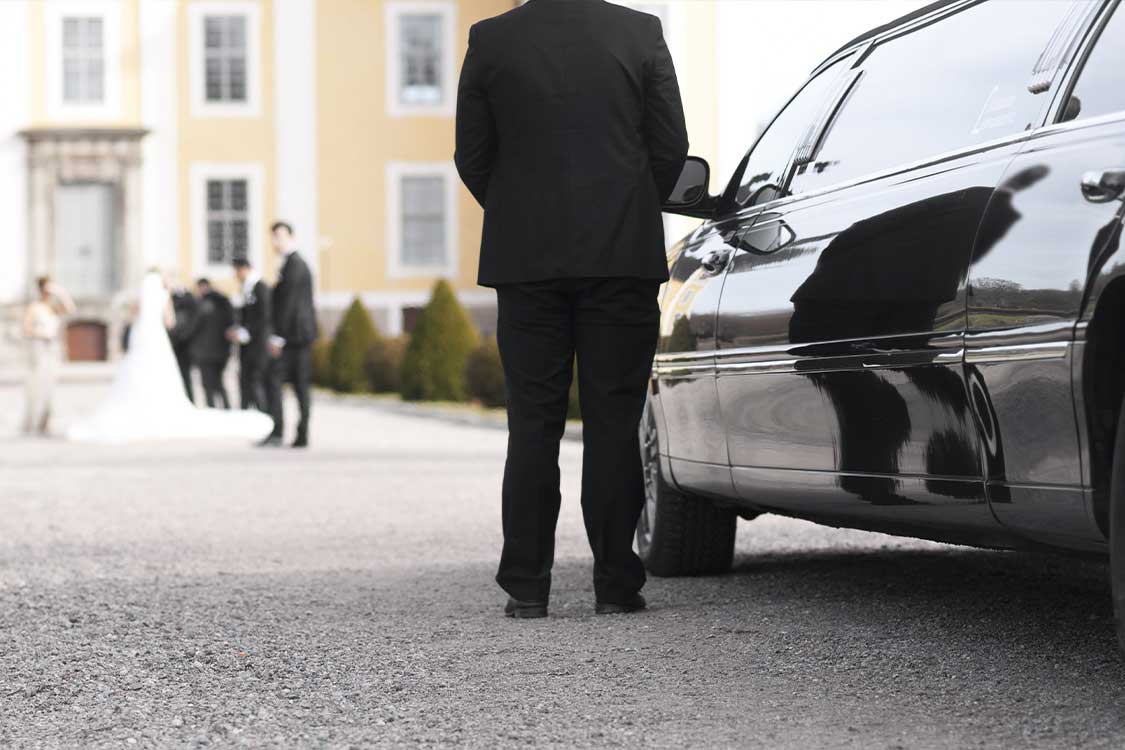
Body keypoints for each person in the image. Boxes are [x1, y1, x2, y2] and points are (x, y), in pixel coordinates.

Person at [454, 0, 688, 618]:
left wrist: (517, 211)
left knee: (532, 424)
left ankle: (527, 587)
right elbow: (671, 149)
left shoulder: (491, 38)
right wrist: (630, 204)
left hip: (526, 262)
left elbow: (472, 156)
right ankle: (616, 583)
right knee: (613, 421)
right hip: (620, 256)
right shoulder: (639, 32)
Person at [67, 271, 272, 443]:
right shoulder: (164, 297)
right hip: (157, 339)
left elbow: (131, 317)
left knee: (136, 373)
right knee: (162, 375)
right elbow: (169, 322)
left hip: (141, 339)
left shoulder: (139, 301)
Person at [261, 221, 317, 448]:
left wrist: (277, 336)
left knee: (286, 383)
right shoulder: (290, 264)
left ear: (291, 238)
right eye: (274, 237)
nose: (276, 242)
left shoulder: (295, 264)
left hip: (295, 337)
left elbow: (289, 304)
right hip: (296, 336)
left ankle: (289, 432)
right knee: (294, 385)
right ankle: (290, 432)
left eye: (280, 237)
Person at [21, 277, 75, 435]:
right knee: (38, 385)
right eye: (48, 289)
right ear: (41, 290)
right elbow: (26, 329)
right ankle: (34, 421)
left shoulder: (53, 307)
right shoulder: (34, 307)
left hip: (53, 349)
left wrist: (61, 292)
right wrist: (41, 334)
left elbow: (71, 309)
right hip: (39, 347)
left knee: (51, 385)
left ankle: (46, 421)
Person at [229, 258, 272, 412]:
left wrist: (246, 332)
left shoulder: (260, 288)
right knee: (245, 382)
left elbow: (264, 316)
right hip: (248, 347)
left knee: (256, 382)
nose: (236, 275)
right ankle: (246, 415)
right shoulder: (245, 288)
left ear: (244, 269)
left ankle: (264, 417)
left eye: (236, 271)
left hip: (258, 345)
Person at [189, 278, 234, 409]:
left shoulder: (202, 304)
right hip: (221, 352)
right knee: (219, 383)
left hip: (206, 353)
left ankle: (212, 409)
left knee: (208, 385)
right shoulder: (224, 301)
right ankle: (227, 409)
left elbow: (193, 326)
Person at [168, 283, 199, 402]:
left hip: (185, 346)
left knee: (185, 376)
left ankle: (189, 400)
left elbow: (194, 321)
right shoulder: (170, 299)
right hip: (173, 344)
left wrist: (184, 335)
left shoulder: (190, 301)